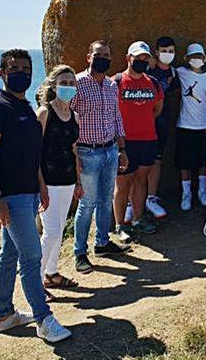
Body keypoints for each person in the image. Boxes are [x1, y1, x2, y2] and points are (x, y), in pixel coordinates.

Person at [0, 48, 71, 342]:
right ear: (2, 73)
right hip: (11, 197)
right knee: (31, 257)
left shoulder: (26, 108)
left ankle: (4, 314)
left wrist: (40, 185)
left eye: (26, 69)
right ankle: (44, 319)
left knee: (10, 253)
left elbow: (33, 154)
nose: (21, 74)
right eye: (14, 68)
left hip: (29, 193)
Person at [69, 41, 130, 275]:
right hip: (87, 151)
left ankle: (102, 243)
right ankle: (79, 252)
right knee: (87, 204)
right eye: (98, 54)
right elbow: (67, 117)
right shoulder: (77, 83)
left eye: (106, 55)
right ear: (88, 57)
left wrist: (122, 149)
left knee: (105, 200)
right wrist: (72, 152)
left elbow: (116, 117)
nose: (102, 58)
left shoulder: (111, 85)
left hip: (110, 150)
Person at [35, 65, 82, 292]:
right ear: (53, 85)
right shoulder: (44, 113)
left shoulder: (74, 116)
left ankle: (51, 273)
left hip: (67, 180)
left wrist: (78, 181)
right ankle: (34, 280)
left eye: (72, 83)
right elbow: (33, 153)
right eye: (64, 83)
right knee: (51, 232)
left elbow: (74, 149)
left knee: (60, 229)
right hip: (48, 182)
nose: (68, 87)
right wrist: (40, 185)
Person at [113, 42, 164, 240]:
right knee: (123, 183)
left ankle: (137, 218)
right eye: (138, 58)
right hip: (124, 142)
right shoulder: (116, 81)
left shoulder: (153, 83)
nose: (141, 61)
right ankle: (120, 225)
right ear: (128, 58)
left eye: (145, 58)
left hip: (148, 140)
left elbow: (158, 108)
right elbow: (110, 112)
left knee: (141, 180)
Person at [175, 43, 206, 210]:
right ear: (187, 59)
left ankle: (202, 191)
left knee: (202, 162)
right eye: (193, 57)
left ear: (204, 59)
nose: (196, 60)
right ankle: (186, 194)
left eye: (199, 57)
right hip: (184, 126)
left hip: (203, 126)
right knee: (184, 163)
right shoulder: (181, 73)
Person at [144, 36, 180, 220]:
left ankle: (151, 197)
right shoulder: (148, 69)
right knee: (138, 162)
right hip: (144, 122)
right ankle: (129, 202)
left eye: (171, 51)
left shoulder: (174, 73)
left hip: (163, 122)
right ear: (156, 52)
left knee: (157, 160)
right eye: (164, 50)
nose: (167, 54)